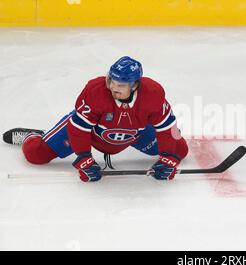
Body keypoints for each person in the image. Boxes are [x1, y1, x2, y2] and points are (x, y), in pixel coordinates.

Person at [3, 56, 189, 182]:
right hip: (91, 133)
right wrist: (84, 158)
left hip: (136, 133)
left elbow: (166, 127)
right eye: (112, 81)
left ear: (135, 85)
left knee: (180, 150)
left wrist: (168, 158)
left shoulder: (153, 94)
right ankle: (36, 136)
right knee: (36, 154)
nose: (113, 87)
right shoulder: (96, 92)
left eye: (121, 84)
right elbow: (78, 129)